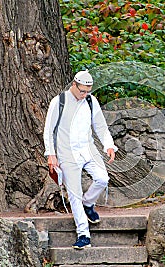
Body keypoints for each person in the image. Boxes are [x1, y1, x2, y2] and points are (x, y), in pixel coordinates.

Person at [43, 70, 117, 249]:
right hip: (66, 152)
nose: (85, 94)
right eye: (82, 91)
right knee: (74, 194)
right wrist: (51, 155)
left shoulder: (91, 101)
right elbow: (48, 130)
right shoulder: (59, 101)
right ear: (74, 85)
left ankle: (88, 203)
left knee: (102, 178)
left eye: (88, 91)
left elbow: (100, 125)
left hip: (88, 149)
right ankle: (83, 234)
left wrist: (109, 145)